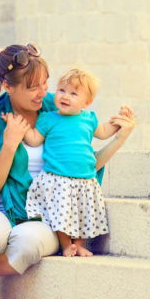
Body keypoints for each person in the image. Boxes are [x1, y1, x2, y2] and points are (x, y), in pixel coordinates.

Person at [0, 44, 135, 299]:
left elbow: (83, 167)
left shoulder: (58, 108)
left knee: (27, 244)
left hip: (47, 213)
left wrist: (121, 137)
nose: (43, 93)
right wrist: (9, 144)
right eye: (32, 87)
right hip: (2, 208)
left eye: (45, 83)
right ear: (8, 86)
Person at [12, 68, 133, 257]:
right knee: (61, 213)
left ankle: (79, 244)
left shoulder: (89, 119)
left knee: (85, 212)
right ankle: (66, 244)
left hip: (85, 179)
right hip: (58, 177)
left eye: (73, 93)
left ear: (87, 102)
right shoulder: (49, 118)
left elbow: (104, 132)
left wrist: (120, 121)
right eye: (61, 90)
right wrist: (20, 128)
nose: (65, 96)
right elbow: (35, 139)